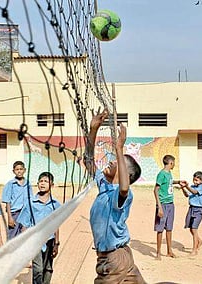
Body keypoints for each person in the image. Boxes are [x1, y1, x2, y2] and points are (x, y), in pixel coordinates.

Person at [85, 108, 146, 284]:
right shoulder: (104, 186)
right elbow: (88, 160)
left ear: (124, 172)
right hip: (121, 257)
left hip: (113, 260)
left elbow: (124, 189)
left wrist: (120, 148)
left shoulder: (122, 194)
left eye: (117, 162)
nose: (111, 161)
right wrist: (93, 130)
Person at [17, 171, 61, 284]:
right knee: (38, 270)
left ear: (52, 185)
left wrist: (56, 243)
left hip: (50, 241)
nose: (42, 184)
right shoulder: (31, 203)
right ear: (37, 184)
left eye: (46, 181)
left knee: (48, 269)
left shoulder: (55, 204)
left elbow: (56, 225)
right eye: (41, 181)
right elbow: (24, 225)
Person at [154, 154, 182, 260]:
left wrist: (178, 182)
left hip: (171, 204)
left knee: (169, 228)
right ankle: (158, 253)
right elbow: (155, 190)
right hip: (163, 205)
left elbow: (169, 183)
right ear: (170, 163)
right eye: (173, 163)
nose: (174, 164)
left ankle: (169, 251)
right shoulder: (161, 174)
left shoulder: (169, 173)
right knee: (160, 229)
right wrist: (159, 207)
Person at [2, 161, 31, 240]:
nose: (19, 171)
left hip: (25, 213)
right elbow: (7, 201)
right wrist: (10, 217)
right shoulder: (10, 184)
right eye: (17, 169)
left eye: (21, 169)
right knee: (12, 237)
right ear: (13, 171)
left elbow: (30, 199)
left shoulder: (28, 183)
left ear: (24, 170)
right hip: (15, 214)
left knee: (24, 236)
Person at [180, 171, 202, 255]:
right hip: (191, 209)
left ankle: (194, 250)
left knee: (194, 229)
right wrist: (183, 188)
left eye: (197, 180)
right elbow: (187, 195)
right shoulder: (191, 187)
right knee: (191, 229)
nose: (195, 182)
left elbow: (194, 192)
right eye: (194, 180)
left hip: (198, 210)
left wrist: (186, 186)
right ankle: (199, 241)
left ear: (201, 180)